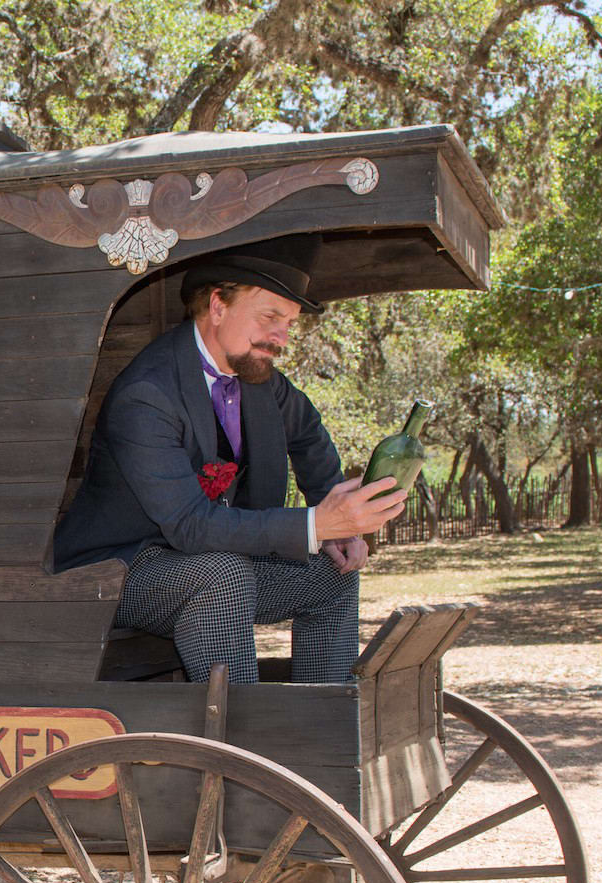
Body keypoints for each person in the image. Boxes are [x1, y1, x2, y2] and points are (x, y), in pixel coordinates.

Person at [48, 234, 408, 684]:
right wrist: (317, 524)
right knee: (221, 575)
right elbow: (190, 524)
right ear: (218, 306)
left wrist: (339, 524)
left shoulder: (259, 380)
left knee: (329, 574)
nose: (281, 337)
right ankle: (239, 739)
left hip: (206, 559)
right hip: (117, 572)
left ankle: (323, 726)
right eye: (270, 317)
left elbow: (310, 437)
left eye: (290, 323)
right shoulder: (147, 394)